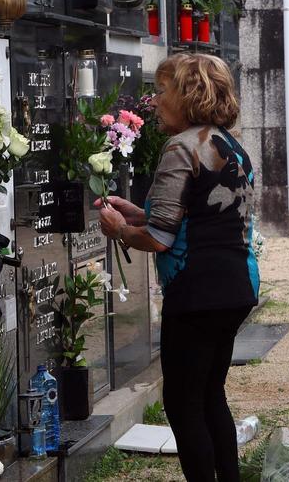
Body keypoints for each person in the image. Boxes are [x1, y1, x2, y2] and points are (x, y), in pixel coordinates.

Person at [96, 53, 259, 482]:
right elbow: (198, 216)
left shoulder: (181, 146)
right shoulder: (230, 144)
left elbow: (160, 239)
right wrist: (138, 213)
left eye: (162, 89)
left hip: (196, 292)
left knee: (184, 403)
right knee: (210, 395)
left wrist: (119, 229)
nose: (154, 99)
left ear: (188, 94)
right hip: (236, 286)